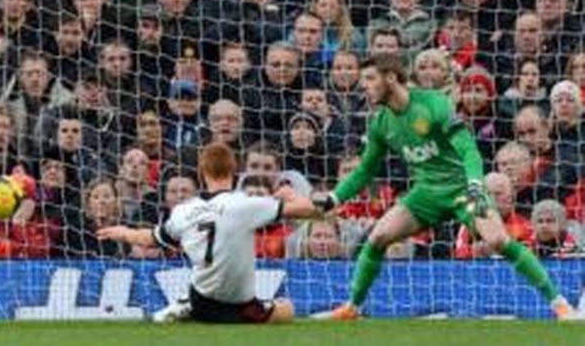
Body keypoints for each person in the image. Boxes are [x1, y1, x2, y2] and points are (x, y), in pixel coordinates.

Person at [314, 54, 576, 320]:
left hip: (463, 189)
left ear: (391, 78)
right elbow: (364, 171)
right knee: (378, 237)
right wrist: (335, 198)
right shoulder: (381, 122)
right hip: (426, 193)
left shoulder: (433, 104)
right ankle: (353, 307)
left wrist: (475, 182)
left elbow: (468, 148)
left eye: (370, 78)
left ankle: (559, 303)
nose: (364, 85)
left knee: (498, 239)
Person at [98, 142, 319, 324]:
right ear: (234, 172)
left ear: (202, 174)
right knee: (287, 309)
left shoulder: (185, 210)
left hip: (202, 301)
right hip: (241, 306)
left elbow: (149, 240)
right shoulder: (245, 204)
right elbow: (309, 209)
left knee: (201, 291)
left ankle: (186, 304)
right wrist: (289, 194)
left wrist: (124, 231)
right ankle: (187, 305)